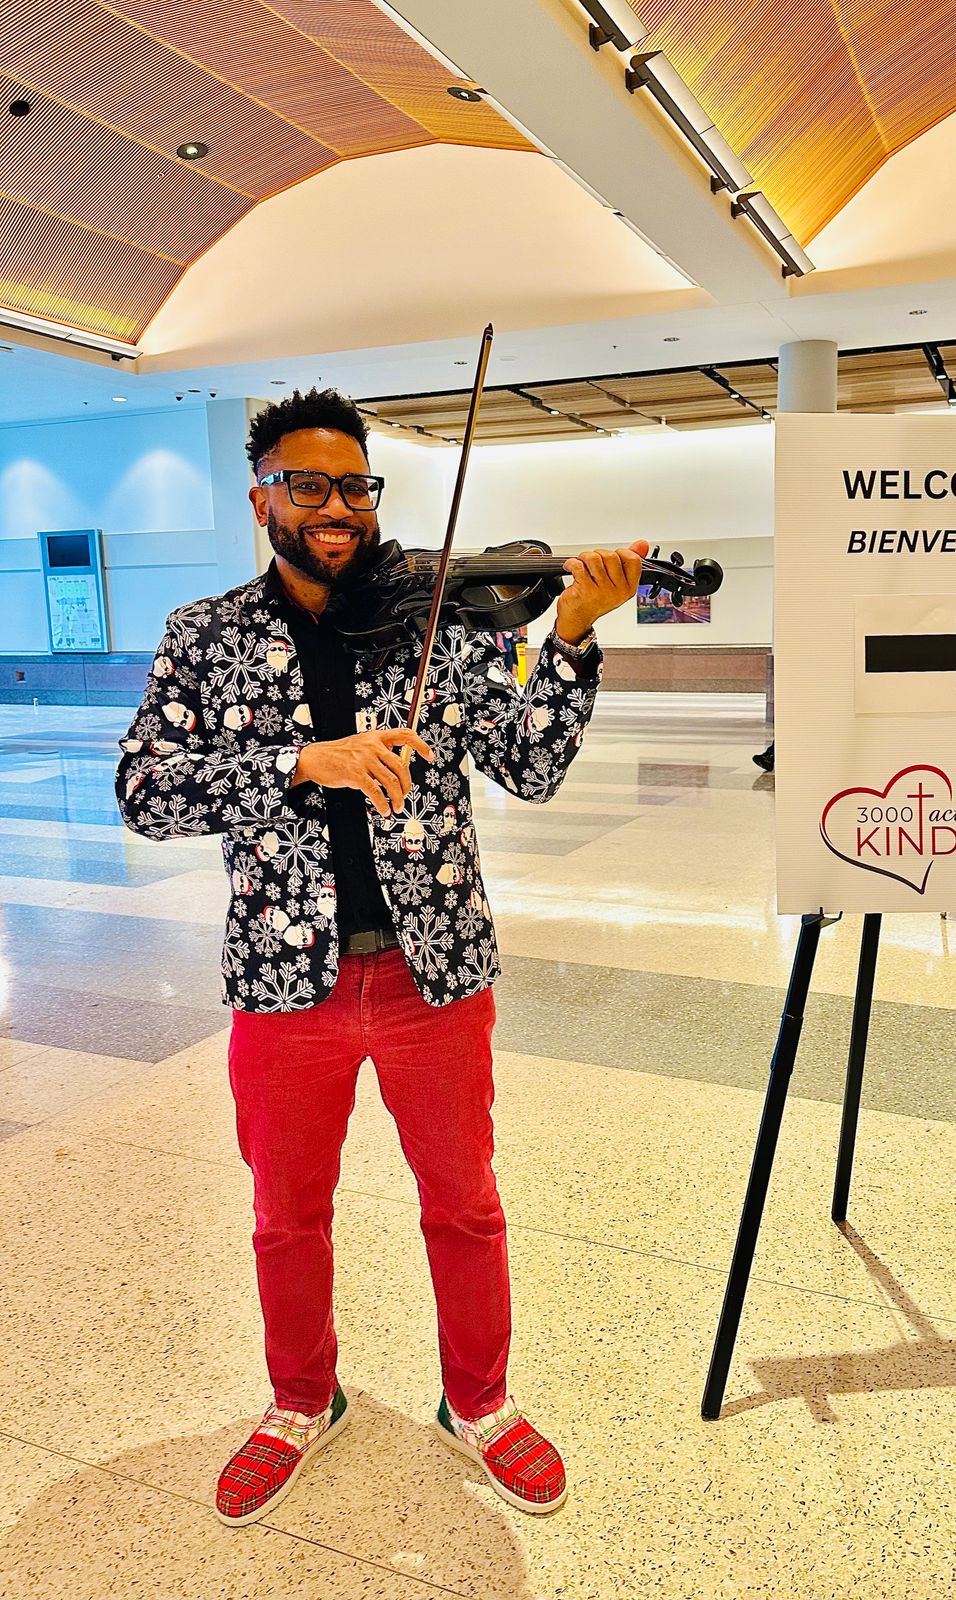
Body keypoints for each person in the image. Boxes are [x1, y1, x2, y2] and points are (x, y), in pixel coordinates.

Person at [116, 388, 647, 1526]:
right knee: (285, 1213)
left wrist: (570, 635)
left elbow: (532, 766)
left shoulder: (435, 619)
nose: (336, 509)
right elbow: (146, 791)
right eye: (308, 485)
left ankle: (482, 1402)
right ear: (260, 497)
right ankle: (302, 1400)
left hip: (432, 974)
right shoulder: (206, 634)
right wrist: (303, 763)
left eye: (355, 487)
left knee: (465, 1202)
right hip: (283, 982)